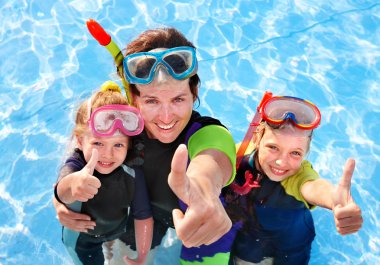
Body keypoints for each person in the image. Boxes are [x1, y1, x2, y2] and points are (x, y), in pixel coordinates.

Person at [53, 27, 237, 264]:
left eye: (178, 99)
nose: (166, 116)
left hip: (206, 226)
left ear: (194, 93)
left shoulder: (210, 134)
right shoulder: (123, 130)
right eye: (151, 100)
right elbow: (80, 157)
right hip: (140, 219)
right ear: (134, 99)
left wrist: (205, 193)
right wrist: (61, 197)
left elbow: (210, 163)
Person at [223, 94, 363, 265]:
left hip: (291, 246)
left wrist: (335, 200)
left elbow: (314, 187)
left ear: (306, 153)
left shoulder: (298, 175)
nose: (281, 162)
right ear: (256, 139)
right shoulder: (239, 156)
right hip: (246, 233)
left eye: (295, 153)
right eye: (273, 147)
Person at [54, 82, 153, 265]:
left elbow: (142, 214)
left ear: (129, 145)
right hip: (82, 241)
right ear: (80, 140)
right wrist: (74, 185)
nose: (107, 154)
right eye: (98, 143)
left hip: (117, 229)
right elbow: (62, 190)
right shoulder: (77, 165)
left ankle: (109, 245)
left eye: (118, 145)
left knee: (113, 246)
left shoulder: (132, 170)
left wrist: (142, 254)